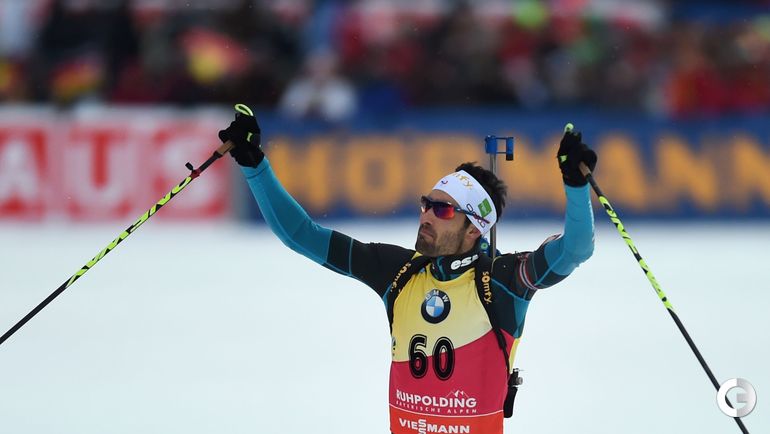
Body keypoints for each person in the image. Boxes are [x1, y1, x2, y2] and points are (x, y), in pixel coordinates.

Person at [218, 110, 597, 434]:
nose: (427, 215)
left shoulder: (502, 281)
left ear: (474, 228)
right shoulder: (399, 272)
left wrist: (576, 185)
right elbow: (302, 235)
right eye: (426, 204)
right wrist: (254, 165)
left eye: (443, 210)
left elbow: (575, 249)